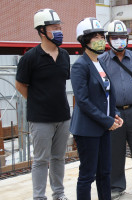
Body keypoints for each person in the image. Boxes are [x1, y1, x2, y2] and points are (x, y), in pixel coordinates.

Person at [15, 9, 70, 200]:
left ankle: (59, 194)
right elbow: (20, 85)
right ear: (41, 30)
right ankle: (39, 197)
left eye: (59, 26)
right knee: (40, 160)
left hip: (63, 117)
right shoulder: (30, 58)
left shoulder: (64, 55)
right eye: (54, 27)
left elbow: (60, 84)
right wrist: (38, 101)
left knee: (58, 159)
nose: (59, 30)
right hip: (40, 119)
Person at [70, 17, 123, 200]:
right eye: (96, 37)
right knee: (87, 175)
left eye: (102, 36)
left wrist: (115, 114)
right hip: (87, 130)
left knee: (105, 172)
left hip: (104, 127)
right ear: (85, 41)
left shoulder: (100, 63)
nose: (101, 40)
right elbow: (83, 101)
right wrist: (107, 121)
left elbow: (106, 96)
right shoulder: (80, 66)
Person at [99, 20, 132, 200]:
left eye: (123, 37)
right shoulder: (101, 61)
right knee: (115, 151)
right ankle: (116, 186)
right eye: (115, 37)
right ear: (108, 39)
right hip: (114, 112)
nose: (119, 40)